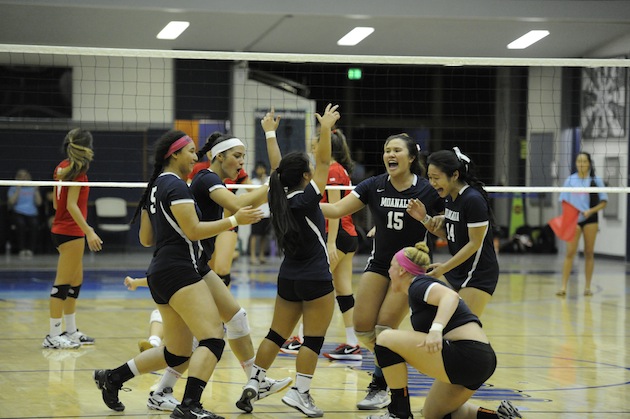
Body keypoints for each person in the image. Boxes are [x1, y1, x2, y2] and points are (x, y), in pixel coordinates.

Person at [93, 130, 262, 419]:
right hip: (180, 270)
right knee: (212, 338)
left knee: (178, 352)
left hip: (162, 270)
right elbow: (194, 230)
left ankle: (113, 378)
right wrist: (233, 220)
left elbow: (147, 239)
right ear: (174, 154)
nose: (196, 157)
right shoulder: (176, 186)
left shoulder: (154, 187)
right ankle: (190, 406)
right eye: (192, 151)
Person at [320, 133, 443, 409]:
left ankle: (380, 385)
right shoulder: (374, 186)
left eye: (397, 150)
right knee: (363, 328)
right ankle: (397, 360)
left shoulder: (427, 190)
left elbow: (446, 225)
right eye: (387, 150)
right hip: (380, 263)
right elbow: (338, 208)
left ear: (411, 158)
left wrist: (426, 218)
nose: (390, 154)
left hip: (411, 268)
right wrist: (303, 204)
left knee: (384, 328)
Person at [236, 104, 340, 417]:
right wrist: (326, 128)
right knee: (313, 339)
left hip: (288, 278)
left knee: (275, 335)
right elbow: (323, 160)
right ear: (306, 177)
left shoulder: (277, 195)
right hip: (316, 278)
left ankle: (254, 382)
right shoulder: (308, 198)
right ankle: (300, 394)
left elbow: (278, 168)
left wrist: (270, 131)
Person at [366, 241, 522, 419]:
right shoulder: (418, 289)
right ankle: (501, 417)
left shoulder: (418, 284)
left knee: (385, 339)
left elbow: (450, 296)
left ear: (402, 270)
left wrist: (436, 329)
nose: (388, 271)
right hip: (479, 360)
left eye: (391, 267)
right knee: (434, 414)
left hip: (467, 354)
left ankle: (398, 413)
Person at [293, 129, 362, 361]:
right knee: (343, 290)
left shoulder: (333, 170)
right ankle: (353, 343)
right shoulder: (338, 169)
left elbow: (335, 212)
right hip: (348, 235)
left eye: (316, 145)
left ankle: (301, 338)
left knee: (311, 284)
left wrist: (330, 242)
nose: (313, 149)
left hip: (338, 235)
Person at [406, 147, 499, 318]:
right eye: (429, 178)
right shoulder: (450, 198)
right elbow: (450, 235)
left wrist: (443, 267)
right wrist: (424, 218)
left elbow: (474, 243)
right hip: (458, 270)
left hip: (478, 274)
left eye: (436, 178)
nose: (432, 183)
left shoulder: (472, 199)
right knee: (435, 318)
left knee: (461, 328)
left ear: (454, 175)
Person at [42, 128, 102, 350]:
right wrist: (89, 231)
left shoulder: (61, 168)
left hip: (62, 229)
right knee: (62, 284)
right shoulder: (78, 172)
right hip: (71, 232)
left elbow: (57, 205)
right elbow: (70, 205)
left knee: (75, 283)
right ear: (87, 148)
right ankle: (53, 334)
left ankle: (71, 330)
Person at [556, 151, 608, 297]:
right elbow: (564, 201)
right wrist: (570, 215)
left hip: (590, 219)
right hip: (574, 220)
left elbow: (604, 202)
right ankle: (563, 287)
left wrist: (591, 211)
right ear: (576, 164)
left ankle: (587, 287)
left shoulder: (595, 180)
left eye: (584, 161)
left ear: (589, 163)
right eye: (579, 161)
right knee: (570, 253)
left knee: (589, 252)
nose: (581, 164)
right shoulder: (570, 180)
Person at [7, 168, 42, 257]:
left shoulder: (33, 187)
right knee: (20, 224)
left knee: (34, 224)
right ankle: (21, 249)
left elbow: (39, 202)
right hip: (18, 212)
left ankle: (31, 249)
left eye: (25, 176)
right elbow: (11, 202)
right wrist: (18, 189)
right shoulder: (13, 187)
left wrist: (36, 191)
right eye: (21, 176)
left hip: (32, 213)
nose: (24, 178)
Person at [248, 161, 271, 265]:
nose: (261, 170)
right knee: (254, 235)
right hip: (256, 212)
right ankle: (253, 256)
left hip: (267, 213)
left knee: (264, 236)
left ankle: (261, 255)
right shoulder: (252, 182)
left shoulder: (268, 180)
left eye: (262, 168)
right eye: (259, 168)